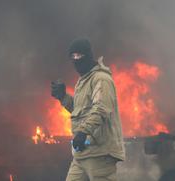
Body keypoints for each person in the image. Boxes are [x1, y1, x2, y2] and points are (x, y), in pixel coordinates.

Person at [51, 39, 125, 181]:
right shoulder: (82, 81)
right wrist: (63, 97)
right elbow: (80, 111)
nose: (76, 60)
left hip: (100, 154)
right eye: (72, 57)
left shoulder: (101, 79)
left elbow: (101, 109)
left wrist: (83, 131)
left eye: (79, 56)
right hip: (81, 156)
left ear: (89, 55)